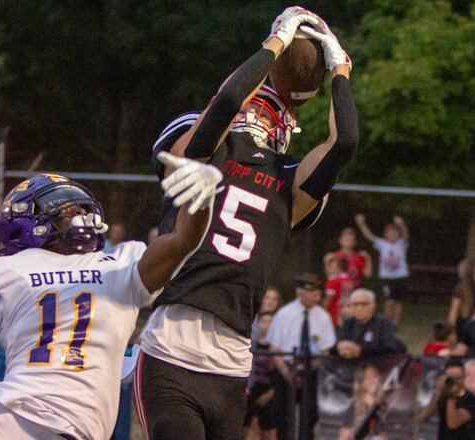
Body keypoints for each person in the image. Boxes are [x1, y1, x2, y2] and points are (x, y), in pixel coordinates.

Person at [0, 156, 222, 440]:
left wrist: (200, 201)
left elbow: (181, 243)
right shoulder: (11, 273)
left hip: (71, 427)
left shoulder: (120, 265)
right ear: (24, 222)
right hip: (13, 419)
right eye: (68, 209)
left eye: (82, 208)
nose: (82, 216)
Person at [138, 7, 358, 438]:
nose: (256, 117)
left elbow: (345, 141)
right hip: (172, 347)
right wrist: (275, 45)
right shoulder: (202, 153)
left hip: (234, 359)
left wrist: (339, 67)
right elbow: (223, 105)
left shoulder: (289, 179)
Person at [266, 273, 336, 436]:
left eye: (318, 294)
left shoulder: (323, 317)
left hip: (313, 371)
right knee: (283, 415)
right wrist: (288, 373)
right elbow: (275, 349)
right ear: (300, 293)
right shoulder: (284, 314)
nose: (316, 297)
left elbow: (326, 350)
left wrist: (310, 366)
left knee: (309, 416)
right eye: (312, 294)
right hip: (286, 369)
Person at [355, 214, 410, 325]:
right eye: (390, 232)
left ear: (398, 234)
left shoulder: (401, 244)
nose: (392, 234)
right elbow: (369, 236)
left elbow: (406, 235)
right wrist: (361, 224)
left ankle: (395, 323)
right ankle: (386, 322)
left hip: (401, 276)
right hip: (388, 278)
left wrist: (402, 225)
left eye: (395, 232)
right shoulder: (382, 244)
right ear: (385, 234)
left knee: (398, 301)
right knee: (390, 301)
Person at [418, 359, 475, 440]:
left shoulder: (472, 400)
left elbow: (453, 424)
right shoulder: (444, 397)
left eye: (457, 377)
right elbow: (423, 418)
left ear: (463, 378)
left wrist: (451, 395)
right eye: (450, 378)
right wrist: (438, 393)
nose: (453, 381)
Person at [333, 288, 400, 359]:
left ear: (373, 306)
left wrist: (361, 351)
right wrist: (340, 348)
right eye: (355, 304)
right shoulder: (348, 323)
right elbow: (334, 347)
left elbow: (389, 350)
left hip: (375, 365)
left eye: (364, 304)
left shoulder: (381, 322)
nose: (359, 308)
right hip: (350, 365)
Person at [244, 312, 281, 440]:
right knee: (249, 430)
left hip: (270, 392)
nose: (267, 325)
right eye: (264, 321)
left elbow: (280, 376)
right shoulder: (250, 345)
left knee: (269, 432)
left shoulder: (277, 347)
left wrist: (270, 393)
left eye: (270, 322)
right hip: (251, 390)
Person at [323, 253, 353, 325]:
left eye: (331, 264)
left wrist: (320, 313)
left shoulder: (334, 282)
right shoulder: (348, 279)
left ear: (337, 266)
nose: (329, 267)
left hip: (333, 318)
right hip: (346, 316)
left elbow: (327, 302)